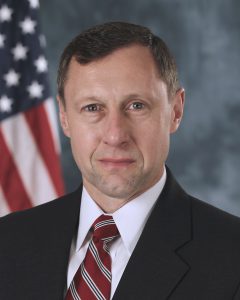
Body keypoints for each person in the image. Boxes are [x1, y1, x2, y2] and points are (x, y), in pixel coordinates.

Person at [0, 21, 240, 300]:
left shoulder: (231, 256)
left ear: (175, 111)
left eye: (136, 106)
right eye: (93, 108)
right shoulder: (8, 243)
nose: (115, 135)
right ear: (64, 118)